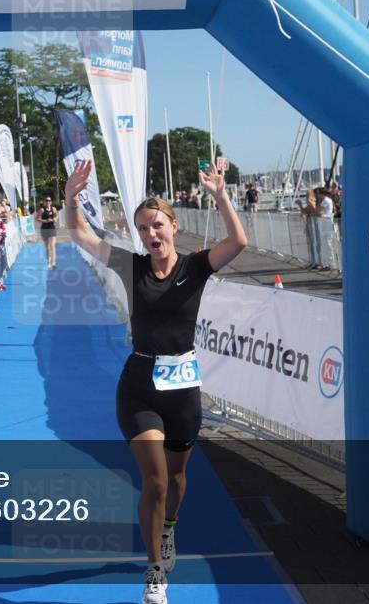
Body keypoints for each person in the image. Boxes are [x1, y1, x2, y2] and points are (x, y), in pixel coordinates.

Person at [66, 160, 247, 604]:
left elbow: (239, 241)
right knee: (157, 480)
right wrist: (71, 198)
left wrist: (221, 196)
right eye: (144, 228)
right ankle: (153, 573)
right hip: (139, 385)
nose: (151, 234)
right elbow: (81, 236)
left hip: (182, 388)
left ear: (173, 226)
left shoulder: (196, 266)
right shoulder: (131, 266)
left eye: (157, 225)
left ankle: (169, 529)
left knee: (179, 478)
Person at [38, 195, 58, 269]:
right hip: (44, 229)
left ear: (51, 202)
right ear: (44, 202)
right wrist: (46, 221)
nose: (48, 202)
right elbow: (38, 219)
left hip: (52, 228)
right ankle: (48, 262)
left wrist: (55, 219)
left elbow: (56, 216)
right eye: (46, 201)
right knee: (47, 247)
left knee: (52, 246)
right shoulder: (42, 210)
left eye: (49, 201)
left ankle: (53, 263)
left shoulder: (53, 209)